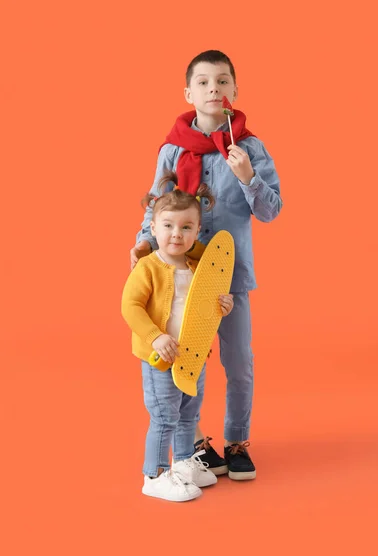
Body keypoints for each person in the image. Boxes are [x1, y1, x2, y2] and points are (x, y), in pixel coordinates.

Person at [130, 50, 283, 481]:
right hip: (180, 280)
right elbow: (156, 205)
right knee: (186, 362)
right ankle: (193, 442)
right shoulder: (173, 150)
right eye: (203, 82)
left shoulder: (249, 147)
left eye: (222, 81)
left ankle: (236, 442)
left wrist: (249, 177)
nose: (213, 88)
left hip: (229, 281)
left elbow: (271, 211)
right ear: (188, 92)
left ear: (234, 92)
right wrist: (143, 242)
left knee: (238, 364)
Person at [122, 171, 234, 501]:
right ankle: (154, 475)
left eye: (186, 227)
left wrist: (222, 305)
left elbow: (202, 309)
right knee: (164, 417)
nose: (176, 234)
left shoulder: (197, 268)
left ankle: (184, 464)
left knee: (189, 415)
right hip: (161, 360)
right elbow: (130, 306)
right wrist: (155, 336)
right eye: (168, 225)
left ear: (198, 232)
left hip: (193, 357)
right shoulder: (148, 267)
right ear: (153, 228)